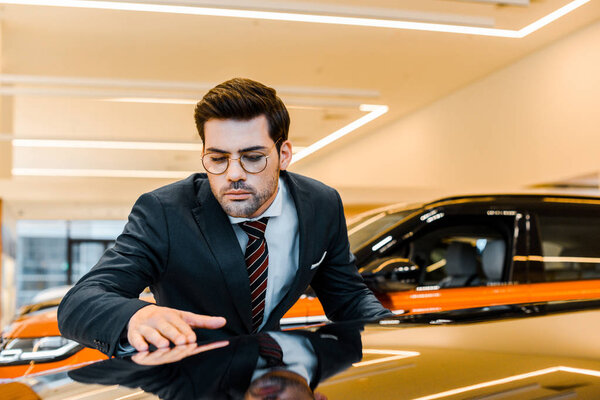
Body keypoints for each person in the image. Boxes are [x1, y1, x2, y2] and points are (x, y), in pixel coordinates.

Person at [57, 78, 392, 357]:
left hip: (278, 381)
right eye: (217, 158)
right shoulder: (164, 212)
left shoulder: (322, 204)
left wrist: (394, 332)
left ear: (284, 154)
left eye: (252, 157)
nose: (234, 174)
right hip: (194, 383)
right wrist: (135, 315)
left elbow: (347, 298)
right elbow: (80, 302)